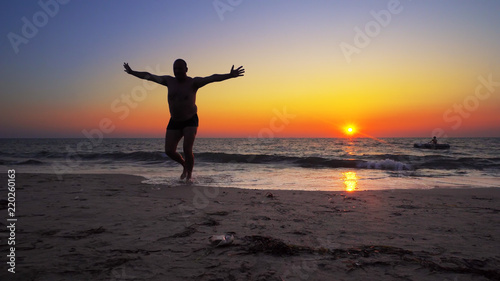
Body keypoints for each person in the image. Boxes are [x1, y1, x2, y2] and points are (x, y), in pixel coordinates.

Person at [123, 59, 244, 182]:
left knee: (187, 149)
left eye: (180, 68)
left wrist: (229, 75)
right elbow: (149, 77)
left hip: (190, 120)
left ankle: (189, 176)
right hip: (174, 121)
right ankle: (184, 165)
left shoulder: (193, 82)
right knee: (169, 151)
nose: (177, 71)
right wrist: (132, 72)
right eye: (175, 69)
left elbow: (212, 78)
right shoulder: (168, 81)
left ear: (186, 69)